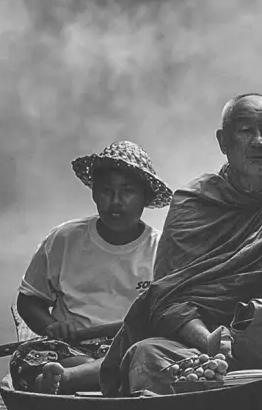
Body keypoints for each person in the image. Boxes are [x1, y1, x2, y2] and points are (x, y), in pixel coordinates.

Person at [99, 94, 262, 395]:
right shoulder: (192, 204)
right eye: (245, 131)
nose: (258, 142)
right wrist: (209, 340)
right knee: (146, 356)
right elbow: (166, 300)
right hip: (198, 350)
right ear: (223, 141)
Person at [10, 140, 171, 393]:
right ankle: (94, 374)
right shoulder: (64, 238)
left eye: (127, 191)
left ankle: (70, 379)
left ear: (146, 197)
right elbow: (29, 301)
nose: (115, 201)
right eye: (106, 190)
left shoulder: (162, 249)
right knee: (25, 357)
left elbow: (169, 316)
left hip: (133, 347)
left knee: (155, 354)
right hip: (72, 350)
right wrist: (51, 326)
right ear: (94, 193)